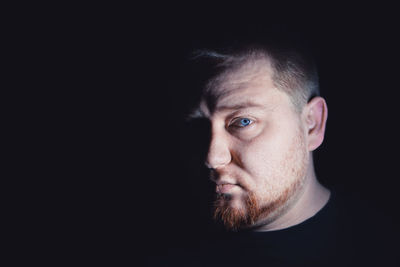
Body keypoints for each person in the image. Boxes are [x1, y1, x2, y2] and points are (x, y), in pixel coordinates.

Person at [149, 40, 399, 266]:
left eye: (243, 122)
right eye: (199, 127)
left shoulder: (385, 249)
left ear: (312, 124)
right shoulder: (160, 250)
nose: (212, 158)